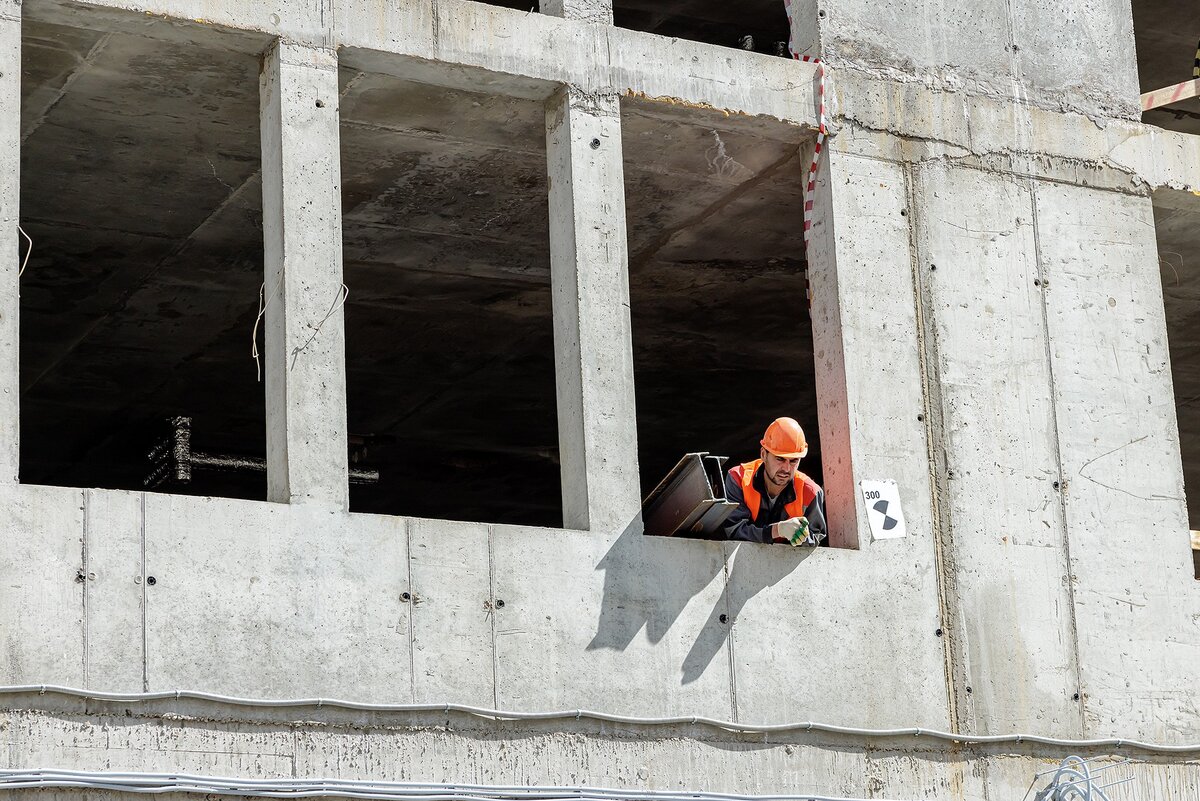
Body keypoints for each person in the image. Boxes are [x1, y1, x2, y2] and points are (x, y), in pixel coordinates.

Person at [723, 417, 827, 546]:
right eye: (780, 459)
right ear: (763, 455)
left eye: (794, 461)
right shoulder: (739, 478)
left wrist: (802, 538)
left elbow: (815, 539)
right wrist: (777, 530)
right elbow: (734, 531)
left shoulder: (811, 493)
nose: (786, 469)